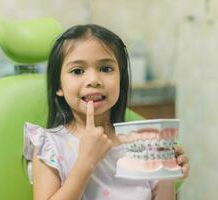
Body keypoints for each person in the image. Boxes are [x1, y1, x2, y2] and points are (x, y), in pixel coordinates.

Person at [23, 24, 190, 200]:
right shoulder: (50, 146)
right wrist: (86, 162)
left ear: (121, 79)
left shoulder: (141, 145)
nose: (93, 80)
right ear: (59, 85)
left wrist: (167, 174)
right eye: (78, 71)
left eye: (106, 69)